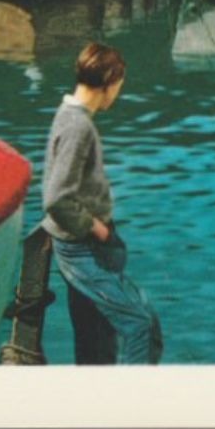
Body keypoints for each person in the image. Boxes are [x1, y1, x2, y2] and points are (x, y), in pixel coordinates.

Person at [41, 42, 163, 366]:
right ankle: (131, 407)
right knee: (142, 324)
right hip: (84, 249)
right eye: (118, 88)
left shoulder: (67, 113)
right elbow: (55, 197)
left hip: (80, 246)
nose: (117, 96)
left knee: (95, 342)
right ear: (108, 81)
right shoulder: (79, 126)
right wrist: (96, 229)